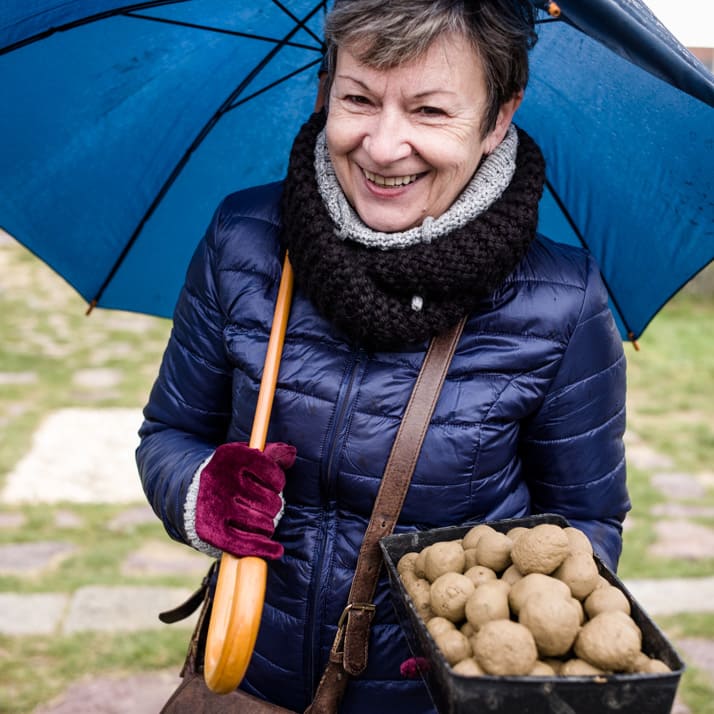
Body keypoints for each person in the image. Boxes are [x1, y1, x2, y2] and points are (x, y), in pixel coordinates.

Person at [137, 0, 629, 711]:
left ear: (497, 118)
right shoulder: (244, 240)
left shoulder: (561, 300)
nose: (382, 146)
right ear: (326, 88)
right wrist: (200, 489)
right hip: (248, 681)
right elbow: (169, 434)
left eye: (430, 112)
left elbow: (587, 519)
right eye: (359, 98)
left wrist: (484, 636)